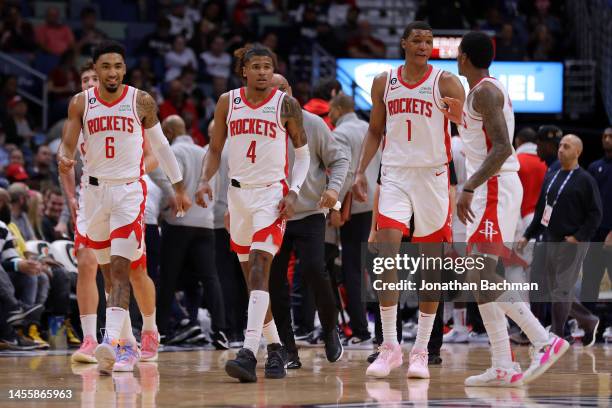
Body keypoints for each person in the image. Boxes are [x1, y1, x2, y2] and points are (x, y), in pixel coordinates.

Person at [58, 41, 190, 374]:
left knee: (123, 269)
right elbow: (68, 144)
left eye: (118, 66)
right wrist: (64, 156)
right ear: (96, 69)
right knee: (108, 271)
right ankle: (134, 338)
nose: (112, 72)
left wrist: (178, 187)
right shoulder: (80, 103)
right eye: (106, 66)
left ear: (125, 68)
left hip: (130, 192)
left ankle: (118, 342)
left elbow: (160, 146)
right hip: (94, 193)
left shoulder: (140, 100)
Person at [352, 21, 465, 379]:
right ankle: (389, 346)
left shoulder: (446, 81)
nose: (423, 44)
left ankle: (420, 351)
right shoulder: (384, 81)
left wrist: (458, 115)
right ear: (403, 43)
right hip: (396, 173)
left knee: (431, 265)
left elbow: (466, 127)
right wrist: (359, 172)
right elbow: (374, 130)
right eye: (417, 39)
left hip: (433, 176)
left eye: (429, 40)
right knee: (386, 254)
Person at [455, 31, 568, 387]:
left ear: (462, 58)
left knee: (481, 274)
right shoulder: (480, 92)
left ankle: (543, 339)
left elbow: (503, 147)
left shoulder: (486, 91)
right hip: (491, 186)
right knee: (479, 279)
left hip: (493, 186)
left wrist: (470, 185)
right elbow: (482, 138)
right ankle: (503, 362)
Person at [195, 43, 310, 383]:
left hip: (271, 197)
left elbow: (302, 154)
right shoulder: (226, 102)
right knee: (253, 281)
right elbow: (215, 150)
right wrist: (204, 181)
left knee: (261, 267)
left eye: (267, 66)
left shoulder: (286, 104)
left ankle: (248, 351)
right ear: (244, 70)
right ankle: (276, 348)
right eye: (256, 66)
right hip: (238, 197)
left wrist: (293, 191)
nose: (262, 71)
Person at [60, 59, 160, 365]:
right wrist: (70, 199)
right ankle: (98, 338)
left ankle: (150, 329)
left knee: (134, 271)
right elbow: (64, 161)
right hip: (90, 195)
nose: (93, 82)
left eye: (96, 77)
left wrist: (133, 173)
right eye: (87, 78)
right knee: (90, 263)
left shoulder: (131, 105)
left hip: (128, 191)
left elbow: (153, 155)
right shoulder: (81, 111)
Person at [268, 74, 348, 368]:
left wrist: (333, 190)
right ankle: (288, 349)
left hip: (311, 211)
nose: (278, 95)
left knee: (315, 269)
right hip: (271, 215)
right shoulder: (261, 128)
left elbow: (339, 160)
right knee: (275, 282)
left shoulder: (312, 123)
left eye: (283, 89)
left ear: (291, 92)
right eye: (271, 91)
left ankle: (330, 328)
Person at [151, 114, 228, 349]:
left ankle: (162, 331)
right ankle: (220, 331)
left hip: (179, 224)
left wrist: (166, 207)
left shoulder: (175, 152)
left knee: (168, 280)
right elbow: (213, 186)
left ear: (169, 134)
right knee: (210, 279)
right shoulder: (204, 152)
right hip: (205, 224)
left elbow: (166, 181)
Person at [520, 135, 602, 346]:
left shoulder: (585, 180)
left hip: (571, 243)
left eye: (567, 146)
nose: (561, 150)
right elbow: (541, 210)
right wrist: (527, 234)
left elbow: (595, 214)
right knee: (543, 289)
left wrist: (578, 236)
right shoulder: (552, 175)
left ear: (578, 152)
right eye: (560, 146)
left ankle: (557, 335)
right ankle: (588, 320)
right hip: (548, 239)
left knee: (561, 290)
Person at [332, 93, 381, 348]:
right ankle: (383, 329)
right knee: (377, 267)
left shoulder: (341, 134)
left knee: (352, 267)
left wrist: (336, 206)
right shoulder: (371, 128)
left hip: (356, 205)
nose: (329, 116)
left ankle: (360, 329)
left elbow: (345, 172)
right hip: (380, 202)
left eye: (330, 111)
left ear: (339, 109)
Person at [581, 127, 612, 338]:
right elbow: (589, 203)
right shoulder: (594, 166)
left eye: (611, 136)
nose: (607, 139)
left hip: (611, 233)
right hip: (594, 233)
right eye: (605, 136)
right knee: (590, 282)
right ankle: (588, 326)